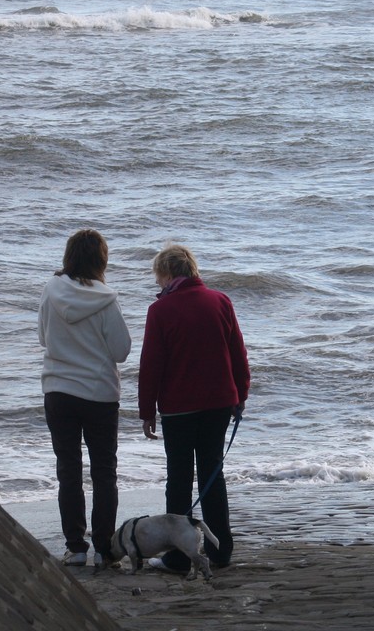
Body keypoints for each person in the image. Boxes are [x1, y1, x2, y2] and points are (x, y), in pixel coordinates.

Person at [139, 244, 250, 572]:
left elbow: (151, 366)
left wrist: (147, 411)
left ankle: (177, 557)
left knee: (179, 479)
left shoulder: (160, 310)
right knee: (213, 476)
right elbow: (237, 354)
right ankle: (221, 551)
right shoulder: (220, 301)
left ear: (167, 274)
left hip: (178, 408)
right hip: (218, 403)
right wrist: (240, 395)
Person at [38, 229, 132, 567]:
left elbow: (41, 337)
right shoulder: (106, 298)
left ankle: (76, 547)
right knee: (104, 472)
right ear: (102, 260)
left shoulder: (50, 290)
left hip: (59, 390)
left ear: (68, 257)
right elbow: (121, 351)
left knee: (69, 470)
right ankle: (105, 549)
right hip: (98, 393)